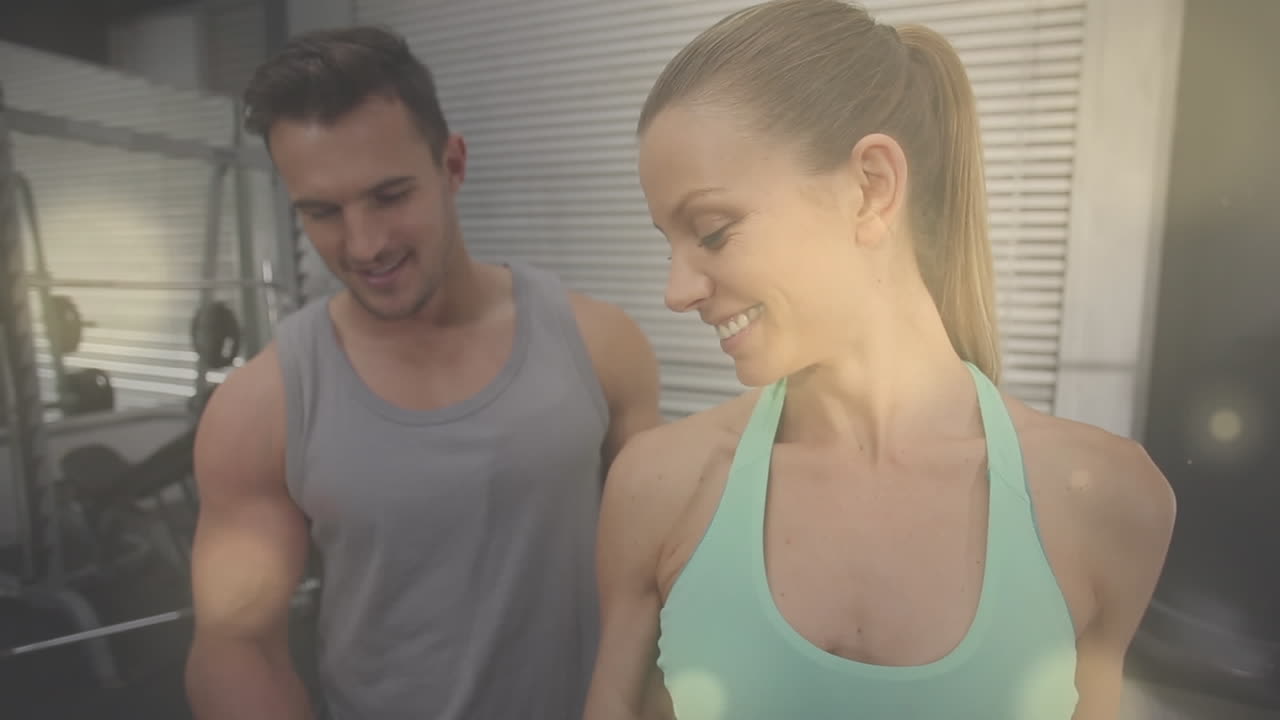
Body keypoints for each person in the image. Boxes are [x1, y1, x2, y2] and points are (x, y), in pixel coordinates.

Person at [582, 1, 1176, 718]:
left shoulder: (1108, 502)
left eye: (711, 232)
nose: (675, 291)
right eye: (666, 240)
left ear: (872, 187)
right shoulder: (658, 486)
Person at [184, 26, 662, 720]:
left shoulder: (600, 345)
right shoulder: (261, 409)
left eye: (389, 195)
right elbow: (239, 647)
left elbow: (660, 580)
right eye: (322, 212)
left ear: (453, 163)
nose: (365, 244)